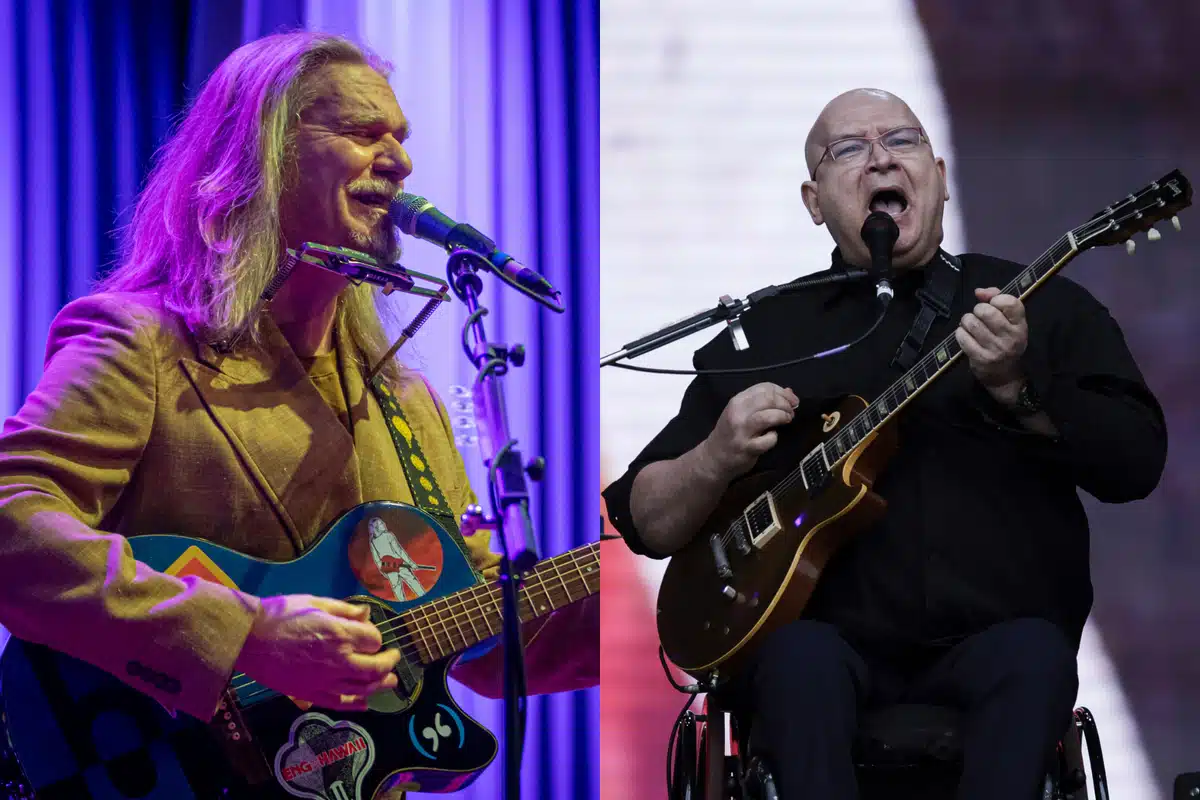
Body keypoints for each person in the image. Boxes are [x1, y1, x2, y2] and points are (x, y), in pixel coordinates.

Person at [0, 29, 596, 781]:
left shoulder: (406, 402)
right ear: (262, 157)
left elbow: (478, 626)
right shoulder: (140, 342)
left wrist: (689, 588)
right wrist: (242, 636)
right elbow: (12, 527)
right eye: (360, 131)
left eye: (402, 139)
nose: (401, 161)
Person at [602, 88, 1167, 799]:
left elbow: (1137, 462)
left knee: (1034, 656)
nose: (878, 161)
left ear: (939, 173)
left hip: (996, 648)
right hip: (822, 655)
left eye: (900, 142)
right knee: (798, 660)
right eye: (848, 149)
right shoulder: (767, 332)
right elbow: (644, 521)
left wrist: (1019, 390)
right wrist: (715, 454)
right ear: (814, 201)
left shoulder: (1037, 305)